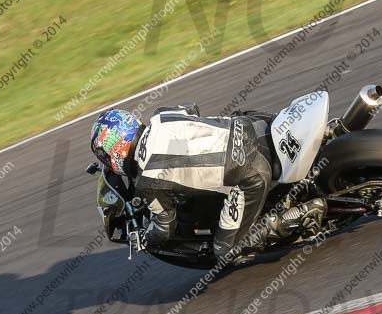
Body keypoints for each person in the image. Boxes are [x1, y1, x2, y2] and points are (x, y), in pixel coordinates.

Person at [90, 106, 325, 265]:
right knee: (235, 113)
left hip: (250, 175)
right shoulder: (161, 116)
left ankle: (300, 214)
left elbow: (164, 226)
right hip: (253, 126)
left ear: (114, 151)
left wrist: (144, 238)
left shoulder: (147, 181)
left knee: (226, 250)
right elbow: (191, 109)